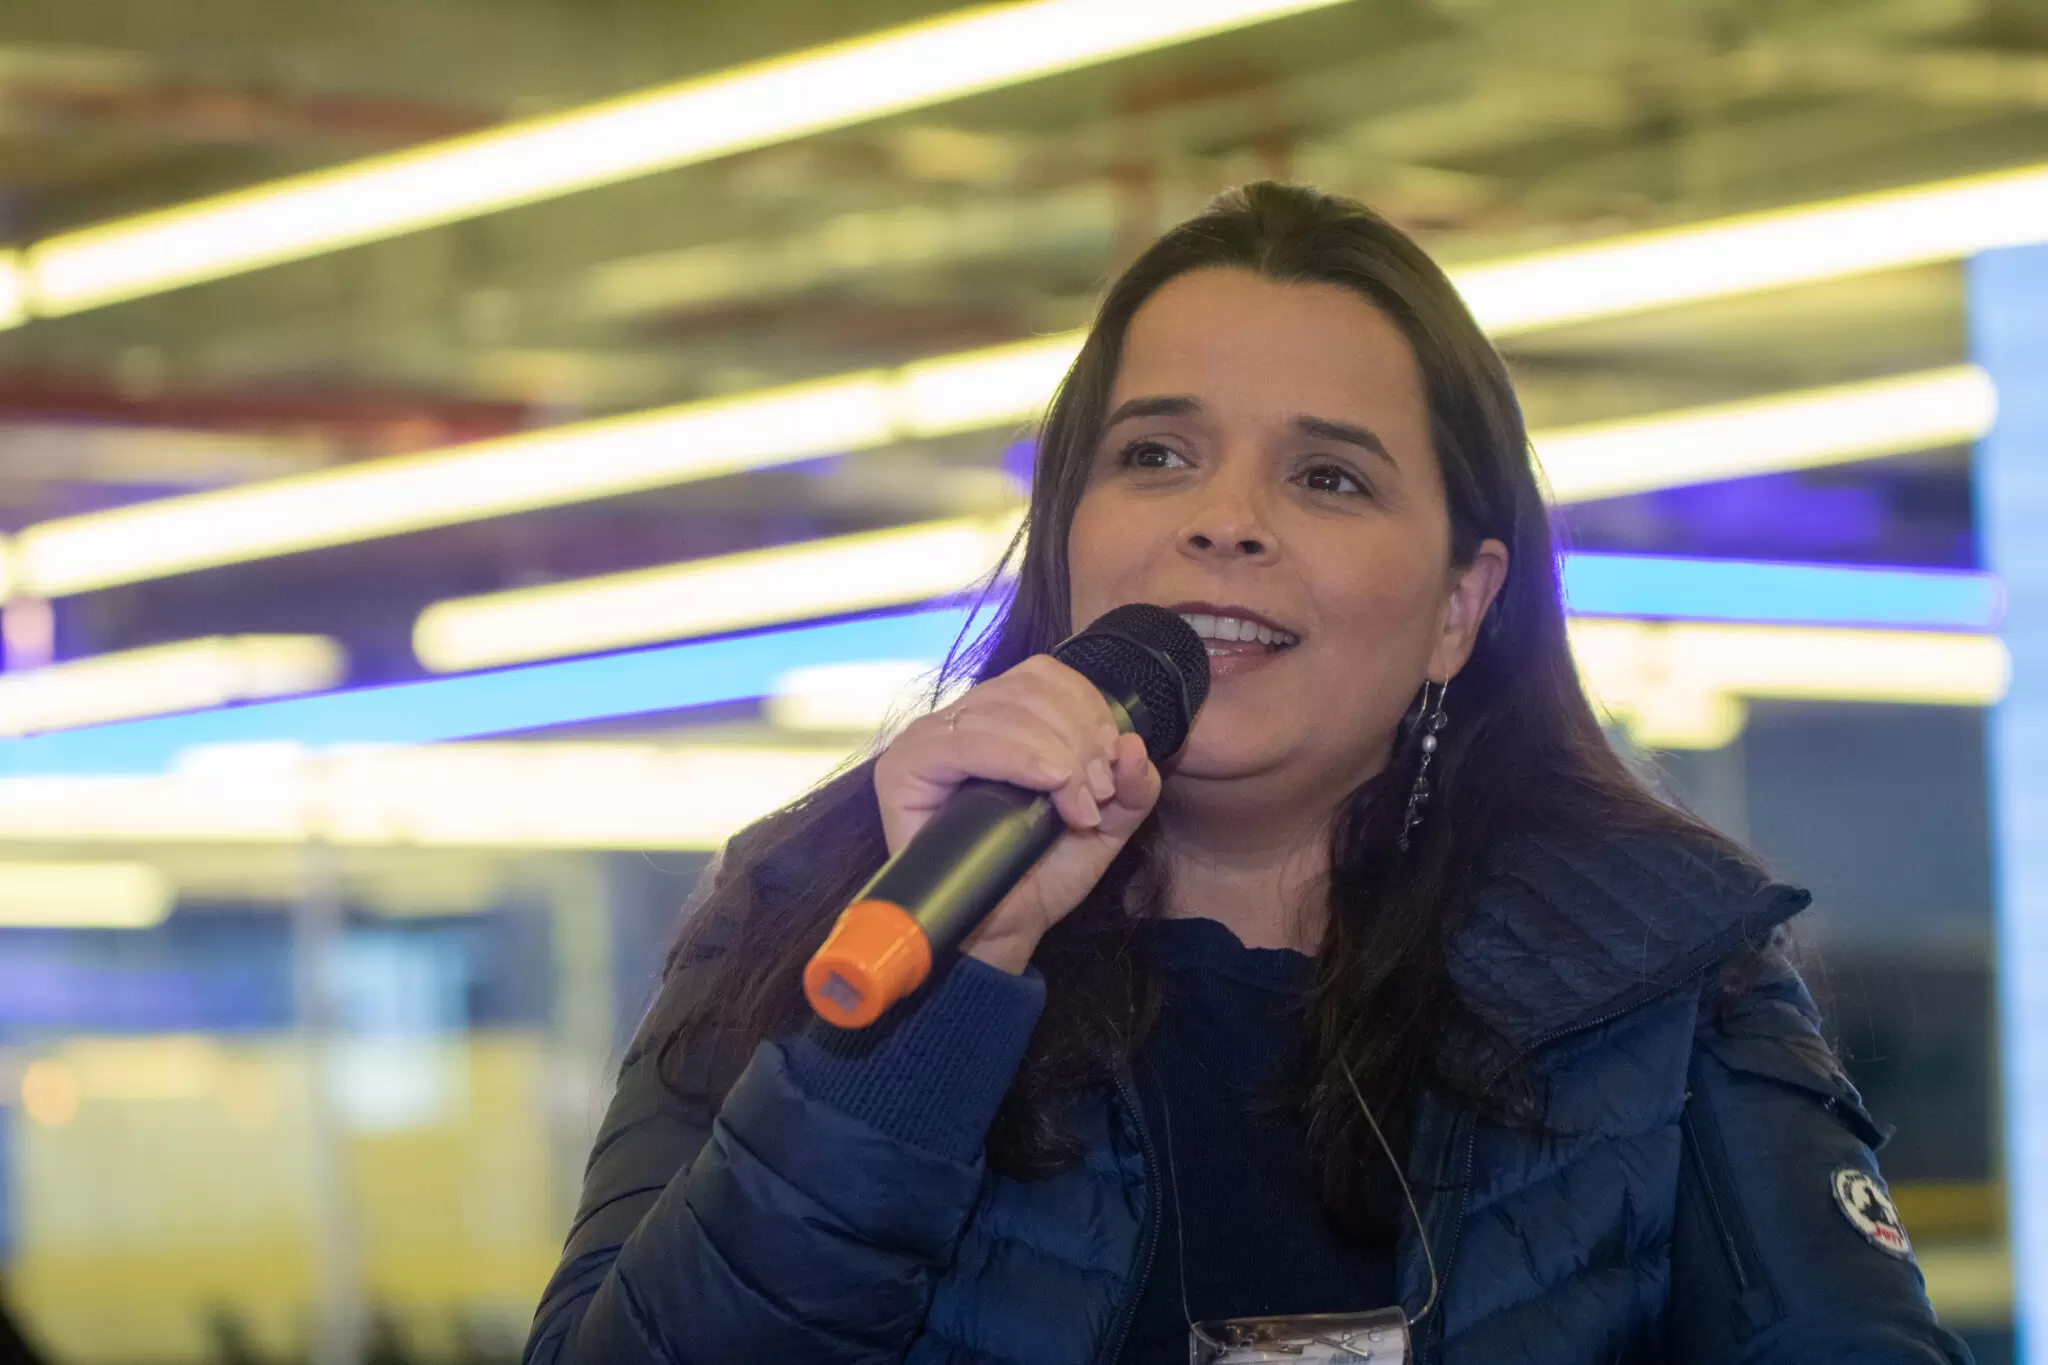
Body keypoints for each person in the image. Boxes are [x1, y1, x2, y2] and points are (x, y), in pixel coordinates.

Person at [523, 182, 1971, 1364]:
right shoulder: (818, 906)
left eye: (1328, 476)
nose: (1224, 519)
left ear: (1459, 608)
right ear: (1069, 536)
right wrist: (941, 998)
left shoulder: (1667, 974)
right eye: (1157, 455)